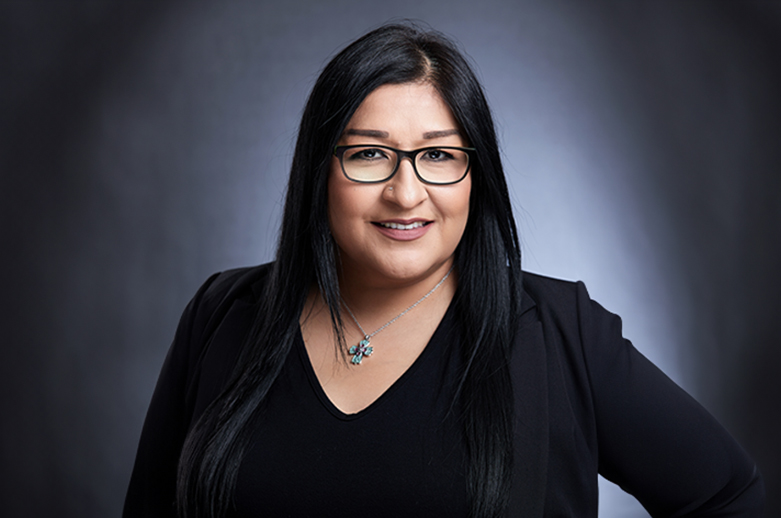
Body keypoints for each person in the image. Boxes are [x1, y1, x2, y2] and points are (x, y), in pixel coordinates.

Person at [124, 23, 764, 518]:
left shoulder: (561, 336)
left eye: (437, 156)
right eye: (369, 154)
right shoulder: (221, 316)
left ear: (475, 176)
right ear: (320, 171)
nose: (406, 193)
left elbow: (729, 498)